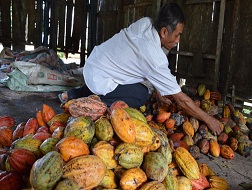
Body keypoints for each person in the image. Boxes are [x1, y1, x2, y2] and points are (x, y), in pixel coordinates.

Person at [58, 2, 223, 135]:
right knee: (141, 95)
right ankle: (86, 104)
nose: (178, 40)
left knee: (139, 86)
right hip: (100, 77)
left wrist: (159, 90)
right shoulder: (154, 57)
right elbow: (181, 99)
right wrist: (209, 120)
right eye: (177, 35)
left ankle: (72, 94)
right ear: (164, 32)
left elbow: (143, 65)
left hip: (95, 64)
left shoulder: (145, 23)